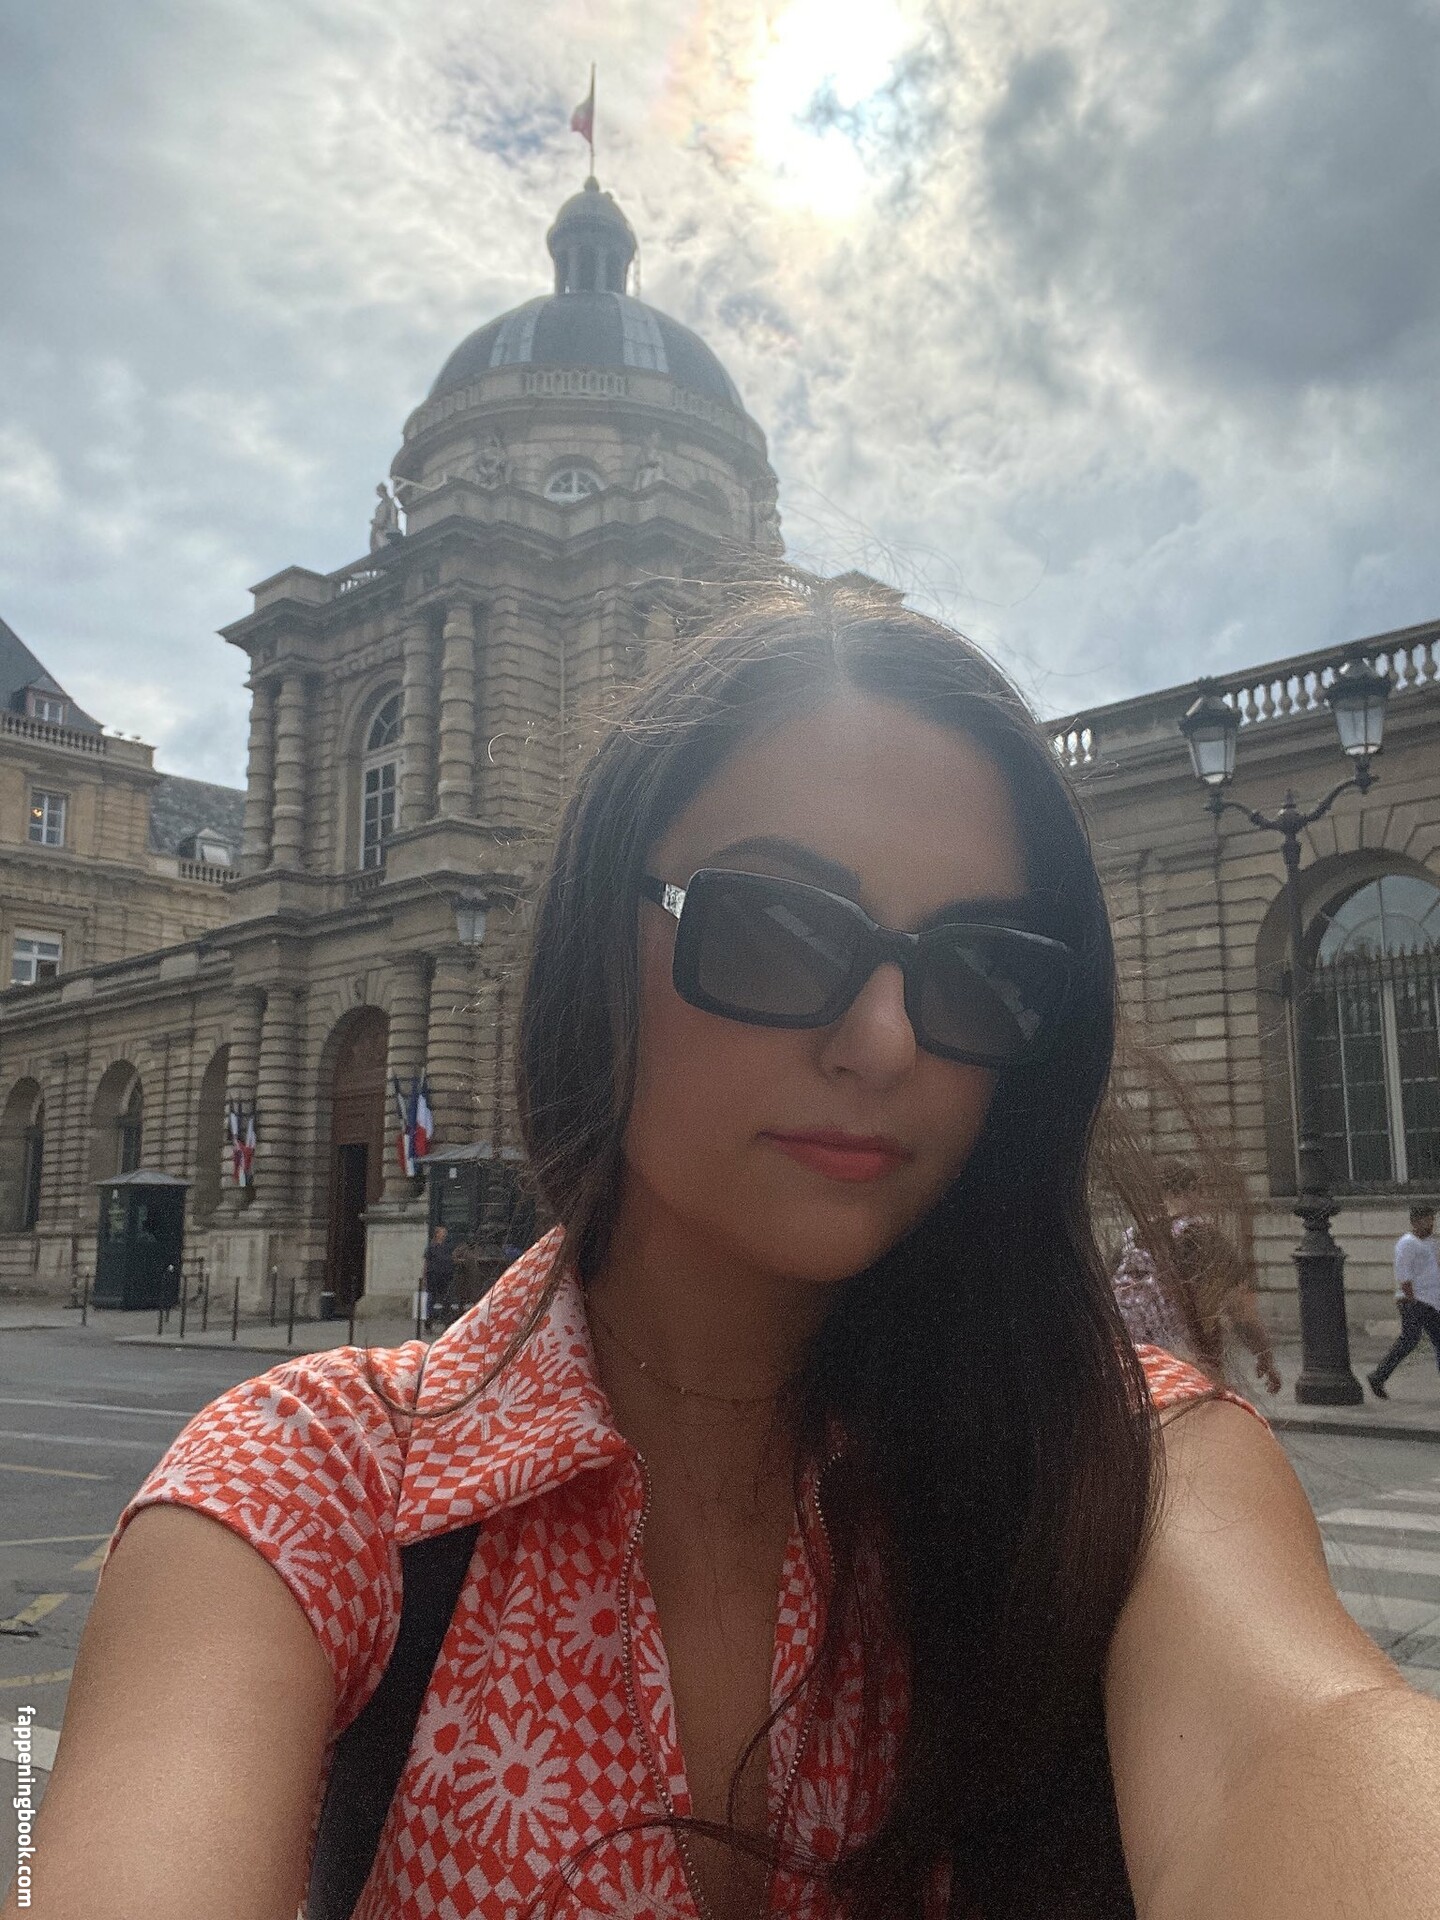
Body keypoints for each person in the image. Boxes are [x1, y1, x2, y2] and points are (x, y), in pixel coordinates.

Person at [19, 582, 1440, 1920]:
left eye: (980, 971)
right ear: (594, 942)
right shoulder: (305, 1492)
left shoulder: (1137, 1469)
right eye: (773, 928)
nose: (883, 1041)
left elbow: (1303, 1741)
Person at [1367, 1202, 1440, 1400]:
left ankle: (1377, 1376)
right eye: (1426, 1220)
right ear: (1415, 1222)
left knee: (1427, 1340)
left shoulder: (1430, 1243)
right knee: (1409, 1341)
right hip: (1414, 1301)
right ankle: (1377, 1376)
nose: (1431, 1223)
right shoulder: (1407, 1243)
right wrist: (1411, 1299)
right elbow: (1403, 1275)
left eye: (1432, 1219)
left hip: (1431, 1302)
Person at [421, 1223, 455, 1331]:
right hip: (433, 1276)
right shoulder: (431, 1247)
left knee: (446, 1300)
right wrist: (424, 1277)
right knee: (431, 1299)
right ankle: (429, 1322)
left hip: (445, 1276)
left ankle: (446, 1321)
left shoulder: (447, 1247)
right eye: (442, 1232)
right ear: (437, 1234)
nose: (444, 1234)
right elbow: (426, 1263)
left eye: (445, 1232)